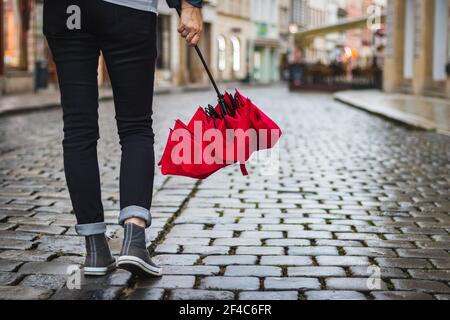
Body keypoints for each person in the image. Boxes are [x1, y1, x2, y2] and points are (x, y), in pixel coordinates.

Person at [43, 0, 203, 277]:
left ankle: (95, 250)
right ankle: (134, 239)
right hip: (128, 8)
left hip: (65, 9)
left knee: (78, 129)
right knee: (135, 127)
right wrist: (188, 4)